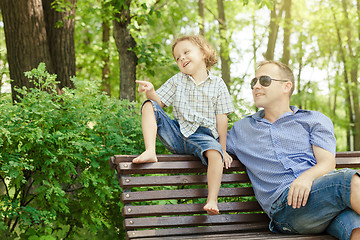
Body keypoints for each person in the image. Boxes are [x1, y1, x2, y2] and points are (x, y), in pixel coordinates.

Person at [226, 60, 360, 240]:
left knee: (354, 227)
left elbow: (327, 163)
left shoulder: (314, 120)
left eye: (264, 80)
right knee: (346, 181)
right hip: (286, 210)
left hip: (322, 204)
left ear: (286, 86)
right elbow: (193, 139)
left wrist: (306, 177)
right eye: (253, 82)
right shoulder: (241, 130)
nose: (256, 86)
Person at [133, 35, 235, 215]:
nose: (182, 58)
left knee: (215, 154)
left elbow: (222, 118)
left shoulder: (218, 84)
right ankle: (150, 151)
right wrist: (151, 91)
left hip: (203, 137)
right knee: (150, 106)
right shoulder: (177, 80)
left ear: (203, 53)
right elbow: (160, 102)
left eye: (186, 52)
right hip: (178, 134)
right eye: (177, 58)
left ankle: (212, 200)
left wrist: (223, 148)